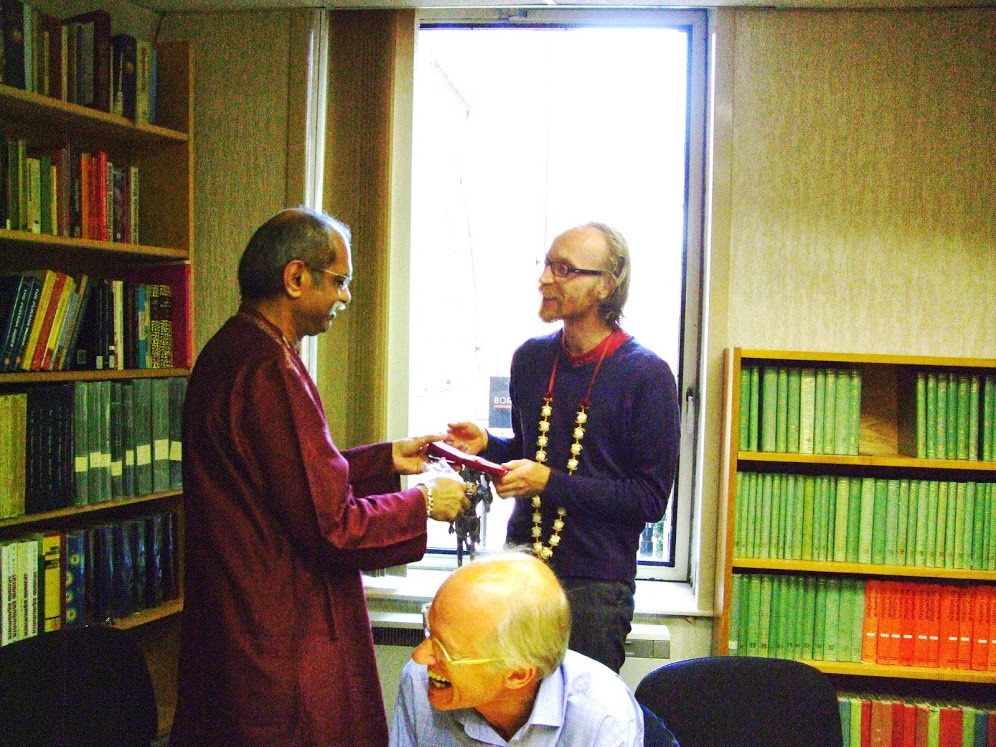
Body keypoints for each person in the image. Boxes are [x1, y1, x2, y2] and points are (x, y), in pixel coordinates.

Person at [171, 207, 471, 746]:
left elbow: (285, 481)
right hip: (278, 638)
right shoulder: (271, 368)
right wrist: (423, 503)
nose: (346, 298)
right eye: (339, 282)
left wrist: (388, 460)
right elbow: (331, 526)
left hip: (236, 625)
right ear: (295, 278)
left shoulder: (233, 348)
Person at [447, 223, 680, 673]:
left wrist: (548, 483)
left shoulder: (647, 375)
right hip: (522, 572)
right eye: (547, 265)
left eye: (564, 269)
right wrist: (487, 448)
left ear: (606, 286)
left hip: (596, 587)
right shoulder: (530, 359)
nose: (545, 279)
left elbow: (648, 500)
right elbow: (531, 453)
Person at [390, 551, 677, 747]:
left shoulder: (601, 717)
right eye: (430, 631)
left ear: (518, 675)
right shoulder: (419, 682)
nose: (420, 655)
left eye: (445, 649)